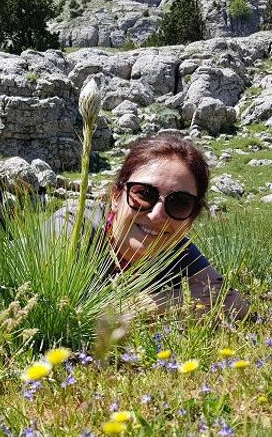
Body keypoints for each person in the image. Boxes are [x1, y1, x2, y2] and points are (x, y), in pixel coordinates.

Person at [49, 135, 249, 320]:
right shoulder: (73, 227)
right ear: (116, 196)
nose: (157, 216)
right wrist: (156, 303)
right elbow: (57, 318)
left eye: (180, 203)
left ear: (191, 219)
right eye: (144, 194)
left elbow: (233, 302)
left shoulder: (175, 248)